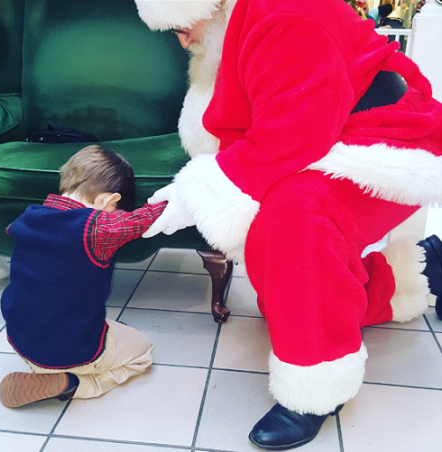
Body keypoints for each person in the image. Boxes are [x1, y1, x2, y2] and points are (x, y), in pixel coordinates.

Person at [135, 0, 442, 449]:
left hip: (386, 139)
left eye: (182, 27)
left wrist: (193, 194)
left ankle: (316, 391)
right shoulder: (235, 21)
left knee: (296, 216)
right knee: (288, 294)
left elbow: (294, 132)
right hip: (330, 133)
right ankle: (416, 272)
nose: (182, 39)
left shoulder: (281, 14)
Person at [0, 145, 166, 408]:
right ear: (109, 201)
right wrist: (185, 193)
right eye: (114, 211)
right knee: (142, 350)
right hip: (68, 352)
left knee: (104, 323)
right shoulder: (96, 227)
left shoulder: (30, 216)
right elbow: (143, 219)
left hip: (20, 339)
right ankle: (71, 383)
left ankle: (44, 370)